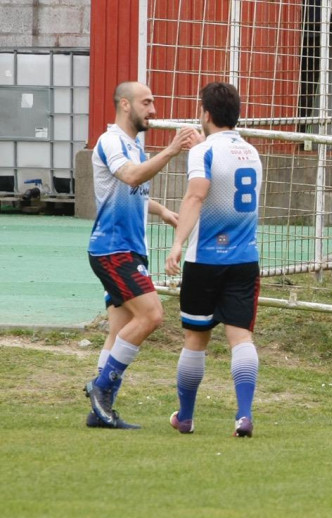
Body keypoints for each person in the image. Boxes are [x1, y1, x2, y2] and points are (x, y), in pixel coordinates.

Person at [84, 81, 196, 429]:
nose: (154, 110)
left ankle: (100, 413)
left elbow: (132, 192)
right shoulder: (111, 141)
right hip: (113, 250)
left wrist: (162, 212)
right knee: (151, 316)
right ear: (124, 105)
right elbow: (130, 176)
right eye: (147, 102)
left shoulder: (133, 145)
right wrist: (172, 150)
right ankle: (100, 390)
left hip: (128, 250)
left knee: (119, 331)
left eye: (154, 102)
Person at [164, 82, 263, 438]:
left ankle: (186, 417)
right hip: (245, 259)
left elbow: (196, 196)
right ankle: (244, 414)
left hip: (205, 259)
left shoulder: (203, 151)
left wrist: (177, 243)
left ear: (205, 113)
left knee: (195, 339)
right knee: (241, 338)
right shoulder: (252, 153)